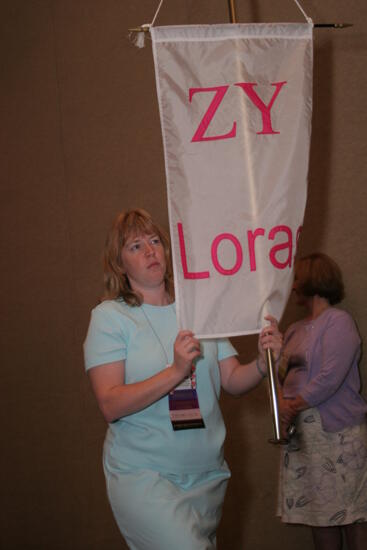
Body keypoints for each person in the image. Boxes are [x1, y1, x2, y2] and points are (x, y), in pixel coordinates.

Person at [84, 208, 282, 550]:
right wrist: (175, 372)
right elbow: (110, 403)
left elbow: (233, 379)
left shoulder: (198, 309)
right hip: (145, 475)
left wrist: (264, 363)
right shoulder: (110, 318)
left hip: (207, 474)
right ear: (119, 264)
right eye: (135, 246)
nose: (149, 251)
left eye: (154, 241)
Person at [277, 252, 367, 550]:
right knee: (319, 513)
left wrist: (293, 405)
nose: (291, 285)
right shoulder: (293, 329)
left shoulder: (338, 321)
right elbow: (286, 377)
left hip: (338, 435)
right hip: (304, 437)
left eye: (297, 278)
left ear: (314, 280)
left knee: (353, 513)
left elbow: (330, 376)